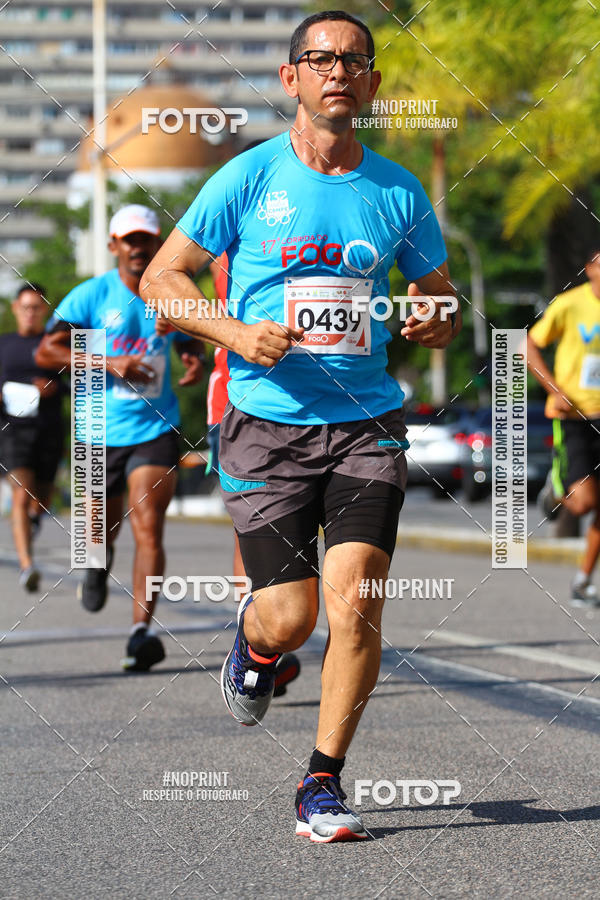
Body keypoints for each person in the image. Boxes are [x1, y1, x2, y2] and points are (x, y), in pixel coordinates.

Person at [142, 10, 459, 841]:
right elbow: (163, 280)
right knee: (291, 617)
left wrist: (435, 318)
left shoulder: (396, 189)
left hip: (365, 425)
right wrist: (234, 333)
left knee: (356, 601)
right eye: (319, 58)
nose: (338, 72)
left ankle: (321, 782)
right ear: (291, 79)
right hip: (265, 426)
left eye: (355, 60)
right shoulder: (246, 178)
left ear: (374, 83)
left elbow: (443, 300)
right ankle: (254, 650)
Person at [35, 204, 204, 670]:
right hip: (95, 428)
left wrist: (192, 357)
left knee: (149, 525)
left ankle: (140, 632)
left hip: (155, 427)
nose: (138, 248)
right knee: (97, 532)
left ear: (156, 244)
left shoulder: (168, 293)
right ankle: (94, 565)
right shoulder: (91, 297)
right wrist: (111, 364)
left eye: (146, 240)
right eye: (129, 240)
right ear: (114, 246)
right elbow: (48, 351)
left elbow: (191, 337)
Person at [528, 244, 600, 607]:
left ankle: (583, 581)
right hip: (576, 417)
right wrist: (554, 390)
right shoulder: (570, 305)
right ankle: (556, 490)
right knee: (584, 503)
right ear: (589, 267)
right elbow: (526, 344)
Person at [0, 283, 65, 591]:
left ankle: (35, 518)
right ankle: (28, 566)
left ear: (45, 311)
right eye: (25, 307)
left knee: (41, 500)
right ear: (15, 309)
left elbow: (78, 381)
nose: (30, 313)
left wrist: (54, 388)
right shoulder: (3, 345)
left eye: (36, 307)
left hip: (49, 430)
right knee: (20, 493)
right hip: (12, 431)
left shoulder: (55, 343)